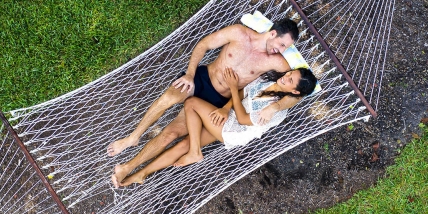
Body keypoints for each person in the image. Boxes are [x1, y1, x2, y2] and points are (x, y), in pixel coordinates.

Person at [109, 19, 303, 185]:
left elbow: (299, 93)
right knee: (168, 98)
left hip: (217, 100)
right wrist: (189, 75)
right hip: (200, 79)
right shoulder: (239, 33)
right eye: (282, 44)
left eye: (286, 48)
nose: (282, 50)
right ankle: (132, 138)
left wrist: (274, 107)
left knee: (171, 134)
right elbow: (204, 44)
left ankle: (128, 168)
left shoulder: (277, 63)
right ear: (273, 33)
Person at [117, 67, 317, 186]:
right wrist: (225, 107)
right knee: (182, 145)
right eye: (290, 73)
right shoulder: (269, 80)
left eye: (290, 80)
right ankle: (141, 174)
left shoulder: (277, 112)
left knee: (191, 104)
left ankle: (195, 152)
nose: (286, 76)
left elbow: (243, 119)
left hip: (235, 131)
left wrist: (231, 87)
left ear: (295, 92)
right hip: (229, 117)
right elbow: (241, 95)